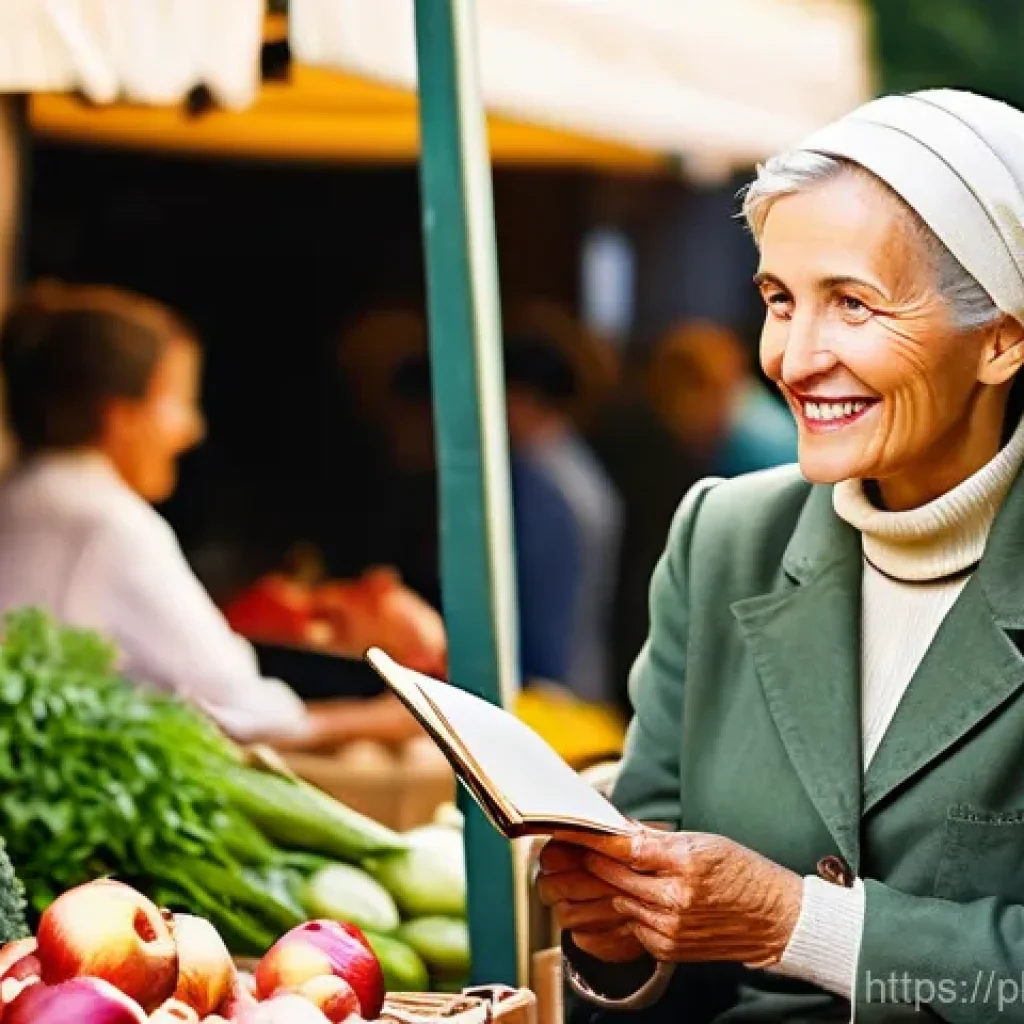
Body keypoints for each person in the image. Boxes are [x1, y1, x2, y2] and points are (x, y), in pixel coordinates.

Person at [537, 89, 1024, 1022]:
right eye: (777, 300)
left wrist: (799, 924)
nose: (794, 359)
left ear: (1001, 338)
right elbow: (648, 979)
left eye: (851, 304)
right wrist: (615, 938)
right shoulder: (722, 537)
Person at [0, 282, 440, 748]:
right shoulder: (106, 521)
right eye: (178, 402)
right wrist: (394, 719)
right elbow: (236, 708)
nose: (192, 430)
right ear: (121, 418)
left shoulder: (23, 496)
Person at [504, 331, 623, 705]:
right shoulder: (573, 465)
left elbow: (539, 608)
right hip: (583, 677)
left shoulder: (542, 481)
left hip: (551, 693)